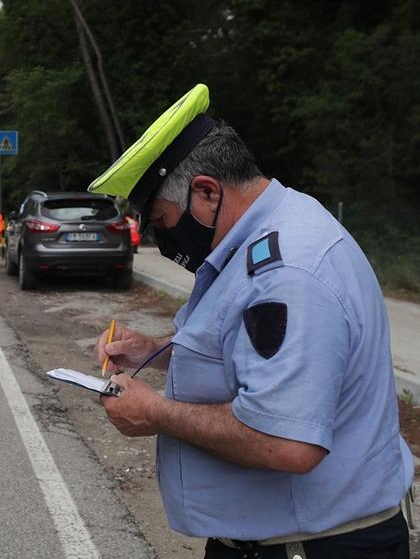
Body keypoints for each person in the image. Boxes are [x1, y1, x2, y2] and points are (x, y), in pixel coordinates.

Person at [88, 83, 412, 559]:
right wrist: (153, 350)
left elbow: (286, 442)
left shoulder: (289, 273)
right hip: (277, 541)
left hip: (312, 547)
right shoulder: (258, 236)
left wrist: (155, 413)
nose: (160, 238)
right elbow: (243, 352)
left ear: (206, 192)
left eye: (160, 219)